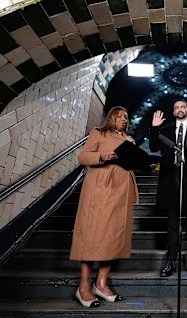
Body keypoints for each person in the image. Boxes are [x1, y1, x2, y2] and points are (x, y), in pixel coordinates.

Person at [70, 106, 139, 307]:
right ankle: (83, 286)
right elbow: (83, 156)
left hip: (121, 193)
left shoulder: (129, 139)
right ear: (111, 117)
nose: (124, 120)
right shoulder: (98, 133)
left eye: (127, 117)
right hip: (101, 191)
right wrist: (102, 156)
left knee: (113, 237)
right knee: (94, 236)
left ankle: (101, 283)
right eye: (120, 116)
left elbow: (129, 162)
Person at [149, 99, 187, 277]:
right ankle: (170, 262)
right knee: (172, 224)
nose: (179, 109)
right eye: (176, 107)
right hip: (170, 181)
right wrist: (154, 128)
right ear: (173, 112)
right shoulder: (165, 130)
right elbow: (153, 147)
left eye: (182, 107)